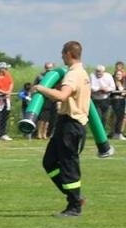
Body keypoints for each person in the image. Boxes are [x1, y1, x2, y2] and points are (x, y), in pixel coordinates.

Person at [33, 41, 91, 217]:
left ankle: (74, 206)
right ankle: (74, 196)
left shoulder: (73, 74)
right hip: (65, 123)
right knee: (49, 162)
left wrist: (41, 88)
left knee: (69, 165)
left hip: (72, 124)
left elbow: (62, 96)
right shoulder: (82, 72)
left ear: (68, 54)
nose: (61, 56)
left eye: (62, 53)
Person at [110, 61, 126, 140]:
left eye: (120, 68)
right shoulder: (112, 78)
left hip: (124, 99)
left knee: (123, 116)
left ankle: (120, 131)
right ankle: (113, 131)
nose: (118, 70)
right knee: (114, 115)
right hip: (115, 99)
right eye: (117, 68)